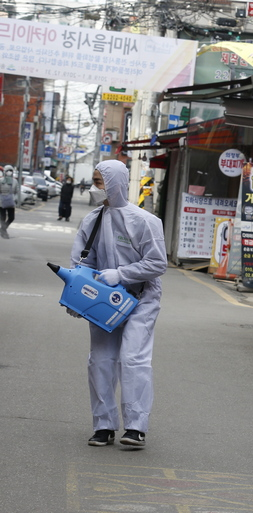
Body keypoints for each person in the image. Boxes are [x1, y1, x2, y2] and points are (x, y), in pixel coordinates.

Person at [67, 160, 166, 448]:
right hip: (103, 300)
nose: (95, 187)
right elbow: (81, 262)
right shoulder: (92, 220)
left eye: (100, 182)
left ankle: (136, 426)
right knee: (100, 360)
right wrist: (77, 297)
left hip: (140, 298)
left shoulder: (146, 221)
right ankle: (104, 424)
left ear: (117, 183)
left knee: (134, 359)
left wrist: (122, 274)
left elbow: (158, 262)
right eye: (95, 181)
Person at [0, 165, 16, 238]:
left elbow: (17, 191)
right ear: (4, 172)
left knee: (11, 217)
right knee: (3, 217)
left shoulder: (15, 181)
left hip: (11, 201)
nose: (9, 172)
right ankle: (4, 232)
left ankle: (2, 229)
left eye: (11, 171)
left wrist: (15, 199)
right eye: (7, 171)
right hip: (1, 201)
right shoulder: (1, 181)